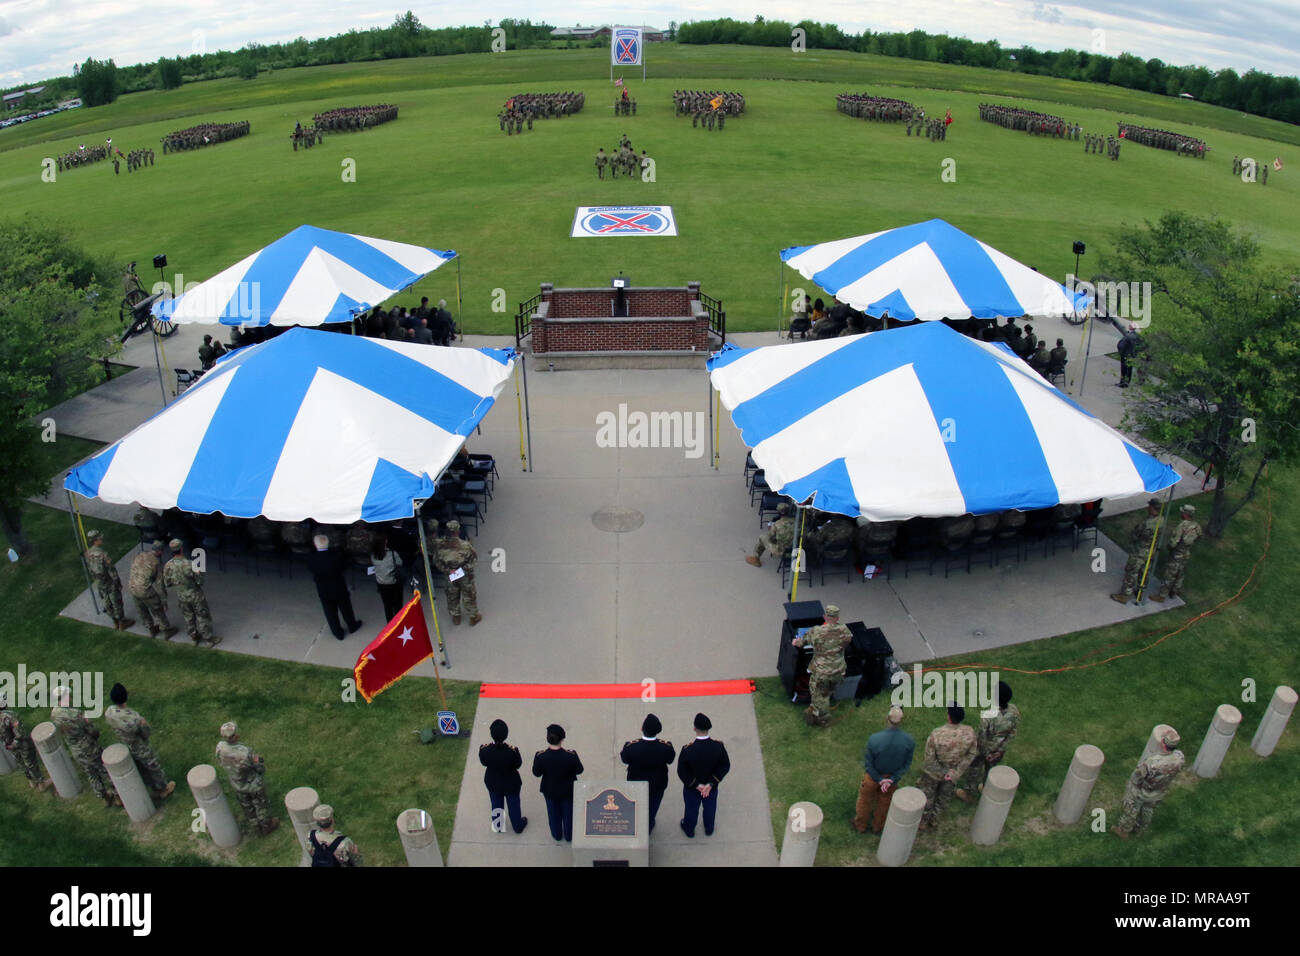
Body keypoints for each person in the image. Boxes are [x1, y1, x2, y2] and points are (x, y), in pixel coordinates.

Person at [51, 687, 120, 808]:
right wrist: (89, 724)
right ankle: (118, 796)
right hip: (88, 747)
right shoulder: (75, 713)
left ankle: (104, 797)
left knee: (91, 773)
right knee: (104, 770)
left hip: (75, 750)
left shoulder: (54, 714)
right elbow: (92, 732)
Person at [104, 683, 175, 799]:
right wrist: (144, 724)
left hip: (126, 745)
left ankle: (149, 786)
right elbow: (146, 733)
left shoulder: (109, 712)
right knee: (153, 767)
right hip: (139, 746)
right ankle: (162, 789)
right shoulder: (134, 718)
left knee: (141, 768)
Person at [1112, 728, 1183, 839]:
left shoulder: (1152, 762)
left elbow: (1136, 777)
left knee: (1131, 809)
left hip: (1143, 791)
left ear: (1163, 743)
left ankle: (1123, 830)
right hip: (1159, 791)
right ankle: (1140, 829)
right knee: (1148, 809)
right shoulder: (1179, 757)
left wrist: (1132, 788)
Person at [853, 706, 914, 834]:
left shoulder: (874, 739)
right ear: (902, 720)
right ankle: (877, 827)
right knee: (884, 802)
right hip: (891, 779)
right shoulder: (909, 741)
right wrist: (891, 780)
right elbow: (906, 765)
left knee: (864, 801)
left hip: (873, 777)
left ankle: (860, 825)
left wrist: (879, 780)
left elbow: (868, 764)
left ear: (887, 718)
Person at [917, 704, 978, 831]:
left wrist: (943, 771)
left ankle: (923, 821)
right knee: (944, 797)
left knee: (928, 796)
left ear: (949, 717)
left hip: (934, 773)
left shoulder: (937, 734)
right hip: (952, 774)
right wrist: (957, 771)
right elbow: (971, 754)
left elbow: (929, 759)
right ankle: (935, 820)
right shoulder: (969, 732)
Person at [956, 681, 1020, 801]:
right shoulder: (1014, 711)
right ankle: (986, 787)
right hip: (999, 751)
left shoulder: (988, 716)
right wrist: (1000, 751)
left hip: (983, 751)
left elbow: (981, 739)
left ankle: (968, 793)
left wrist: (986, 753)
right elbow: (1012, 733)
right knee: (990, 769)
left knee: (974, 769)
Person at [791, 604, 852, 727]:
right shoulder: (844, 630)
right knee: (827, 692)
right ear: (837, 618)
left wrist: (795, 642)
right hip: (839, 671)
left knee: (819, 695)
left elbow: (801, 642)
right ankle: (815, 710)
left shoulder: (817, 631)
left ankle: (823, 719)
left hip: (822, 672)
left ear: (825, 617)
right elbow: (847, 641)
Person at [216, 722, 279, 835]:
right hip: (253, 784)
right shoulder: (245, 752)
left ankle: (255, 826)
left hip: (237, 784)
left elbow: (220, 761)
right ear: (235, 736)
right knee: (260, 805)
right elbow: (258, 767)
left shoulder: (220, 747)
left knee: (247, 806)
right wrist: (260, 768)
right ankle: (266, 826)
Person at [620, 714, 676, 832]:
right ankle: (649, 825)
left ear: (642, 729)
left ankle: (637, 823)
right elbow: (670, 760)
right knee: (653, 807)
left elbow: (624, 759)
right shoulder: (665, 747)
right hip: (658, 784)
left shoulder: (631, 747)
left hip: (636, 784)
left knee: (636, 804)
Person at [678, 713, 729, 838]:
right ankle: (709, 828)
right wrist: (711, 783)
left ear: (694, 728)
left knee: (691, 809)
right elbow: (725, 766)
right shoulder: (718, 746)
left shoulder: (687, 749)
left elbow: (682, 771)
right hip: (711, 788)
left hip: (692, 788)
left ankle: (689, 829)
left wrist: (696, 785)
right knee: (710, 808)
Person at [162, 539, 221, 647]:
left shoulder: (168, 566)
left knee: (188, 617)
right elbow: (200, 581)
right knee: (202, 616)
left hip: (181, 596)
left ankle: (194, 638)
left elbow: (167, 583)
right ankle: (208, 639)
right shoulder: (190, 564)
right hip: (195, 595)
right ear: (181, 549)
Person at [532, 724, 583, 842]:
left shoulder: (540, 756)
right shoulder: (571, 756)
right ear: (562, 738)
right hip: (567, 791)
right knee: (568, 814)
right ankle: (569, 835)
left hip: (549, 791)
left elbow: (536, 773)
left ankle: (557, 834)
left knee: (553, 814)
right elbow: (580, 770)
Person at [306, 534, 362, 639]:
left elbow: (310, 568)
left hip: (323, 589)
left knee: (330, 612)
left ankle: (337, 632)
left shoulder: (312, 558)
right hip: (338, 587)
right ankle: (352, 626)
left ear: (315, 544)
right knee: (345, 608)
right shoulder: (335, 556)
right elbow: (344, 566)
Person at [1110, 498, 1162, 604]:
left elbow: (1135, 535)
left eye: (1149, 506)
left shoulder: (1146, 523)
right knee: (1144, 573)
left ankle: (1124, 596)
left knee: (1131, 573)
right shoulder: (1161, 520)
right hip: (1151, 552)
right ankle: (1140, 592)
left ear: (1152, 508)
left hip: (1140, 552)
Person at [479, 718, 527, 834]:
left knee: (496, 804)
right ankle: (517, 826)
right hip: (511, 783)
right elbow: (518, 765)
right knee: (514, 805)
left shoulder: (485, 750)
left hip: (493, 782)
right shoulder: (513, 751)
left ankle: (498, 826)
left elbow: (484, 762)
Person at [0, 692, 52, 791]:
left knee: (21, 763)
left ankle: (31, 782)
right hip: (21, 744)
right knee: (31, 763)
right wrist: (15, 744)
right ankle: (42, 784)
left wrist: (9, 745)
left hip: (8, 745)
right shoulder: (10, 716)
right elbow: (20, 733)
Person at [84, 530, 134, 631]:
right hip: (109, 581)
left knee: (107, 602)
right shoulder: (103, 554)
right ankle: (121, 622)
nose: (101, 539)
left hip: (100, 582)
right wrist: (117, 582)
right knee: (116, 601)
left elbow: (90, 569)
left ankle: (114, 622)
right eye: (99, 538)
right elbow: (111, 570)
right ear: (95, 541)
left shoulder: (88, 554)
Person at [1149, 504, 1201, 602]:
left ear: (1185, 514)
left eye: (1182, 512)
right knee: (1180, 573)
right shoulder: (1196, 526)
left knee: (1169, 574)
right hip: (1186, 553)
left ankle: (1161, 595)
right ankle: (1174, 591)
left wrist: (1169, 547)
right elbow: (1198, 537)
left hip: (1177, 554)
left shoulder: (1182, 526)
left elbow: (1174, 542)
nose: (1181, 513)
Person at [127, 540, 177, 639]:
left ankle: (151, 629)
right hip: (144, 589)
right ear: (160, 552)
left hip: (132, 587)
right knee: (157, 609)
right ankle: (166, 630)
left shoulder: (140, 555)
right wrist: (163, 601)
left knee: (142, 610)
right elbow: (160, 584)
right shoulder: (156, 563)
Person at [433, 520, 479, 626]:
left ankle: (456, 616)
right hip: (464, 575)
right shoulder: (465, 545)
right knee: (469, 595)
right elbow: (473, 560)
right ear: (457, 531)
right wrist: (461, 570)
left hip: (449, 574)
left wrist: (448, 570)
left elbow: (436, 561)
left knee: (452, 595)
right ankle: (473, 617)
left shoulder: (440, 545)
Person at [746, 501, 795, 567]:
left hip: (782, 551)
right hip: (797, 550)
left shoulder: (777, 524)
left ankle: (756, 558)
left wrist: (771, 528)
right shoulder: (797, 523)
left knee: (762, 538)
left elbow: (770, 536)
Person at [369, 533, 405, 622]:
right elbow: (400, 563)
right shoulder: (392, 554)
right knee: (397, 605)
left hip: (381, 584)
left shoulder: (373, 555)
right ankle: (398, 622)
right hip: (393, 583)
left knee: (387, 605)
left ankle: (390, 623)